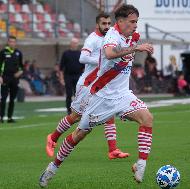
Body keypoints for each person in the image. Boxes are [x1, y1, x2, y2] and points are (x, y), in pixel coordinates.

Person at [39, 4, 154, 187]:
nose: (135, 25)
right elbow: (109, 53)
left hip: (123, 95)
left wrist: (139, 47)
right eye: (132, 22)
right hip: (101, 96)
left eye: (136, 22)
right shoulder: (112, 36)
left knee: (147, 118)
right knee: (79, 134)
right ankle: (52, 168)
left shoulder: (132, 36)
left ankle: (140, 164)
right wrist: (136, 49)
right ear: (121, 21)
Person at [45, 13, 129, 160]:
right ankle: (52, 137)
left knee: (109, 114)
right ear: (97, 25)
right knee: (75, 116)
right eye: (104, 23)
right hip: (87, 84)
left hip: (101, 84)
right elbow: (82, 58)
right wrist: (101, 60)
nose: (107, 26)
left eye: (109, 23)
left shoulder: (110, 38)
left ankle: (113, 149)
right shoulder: (92, 39)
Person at [0, 36, 24, 123]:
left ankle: (10, 118)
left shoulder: (18, 53)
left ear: (16, 43)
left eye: (14, 42)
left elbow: (21, 66)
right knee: (3, 98)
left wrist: (20, 72)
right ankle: (1, 117)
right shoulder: (3, 52)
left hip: (15, 79)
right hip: (5, 78)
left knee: (12, 99)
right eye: (10, 41)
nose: (12, 43)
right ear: (8, 42)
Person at [60, 37, 84, 114]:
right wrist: (61, 79)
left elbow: (84, 67)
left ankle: (78, 110)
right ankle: (68, 110)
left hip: (78, 76)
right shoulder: (65, 53)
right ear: (70, 44)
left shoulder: (80, 54)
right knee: (69, 94)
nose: (74, 44)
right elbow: (61, 67)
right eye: (73, 43)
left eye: (76, 43)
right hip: (68, 76)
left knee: (78, 94)